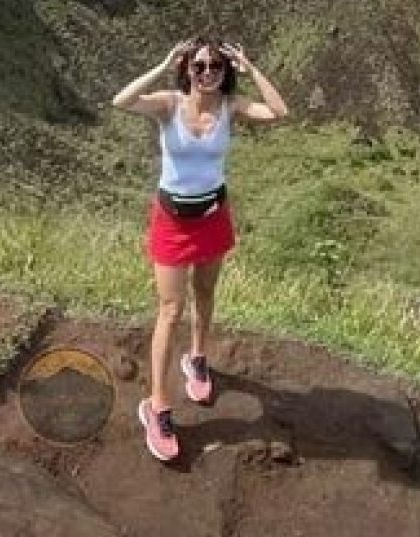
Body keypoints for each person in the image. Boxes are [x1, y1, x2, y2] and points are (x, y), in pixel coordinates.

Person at [110, 37, 288, 461]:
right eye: (198, 66)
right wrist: (163, 62)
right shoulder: (169, 104)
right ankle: (156, 407)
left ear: (225, 73)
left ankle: (198, 358)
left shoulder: (230, 108)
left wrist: (250, 67)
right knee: (170, 310)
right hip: (172, 222)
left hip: (212, 216)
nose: (207, 73)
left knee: (205, 294)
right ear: (186, 68)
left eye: (215, 67)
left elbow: (279, 112)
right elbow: (121, 100)